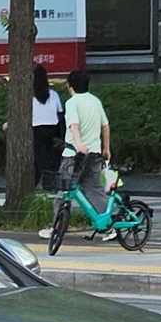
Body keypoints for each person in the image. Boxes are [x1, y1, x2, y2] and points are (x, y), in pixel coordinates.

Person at [60, 69, 109, 219]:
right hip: (94, 153)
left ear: (70, 86)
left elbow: (73, 125)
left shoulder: (72, 103)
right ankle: (109, 222)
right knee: (95, 189)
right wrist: (106, 148)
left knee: (64, 191)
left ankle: (56, 226)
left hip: (74, 155)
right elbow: (105, 125)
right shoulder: (95, 101)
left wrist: (79, 145)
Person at [30, 67, 64, 191]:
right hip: (52, 130)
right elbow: (60, 113)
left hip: (36, 130)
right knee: (51, 158)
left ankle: (35, 185)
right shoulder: (53, 94)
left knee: (38, 159)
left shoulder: (30, 95)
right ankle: (50, 185)